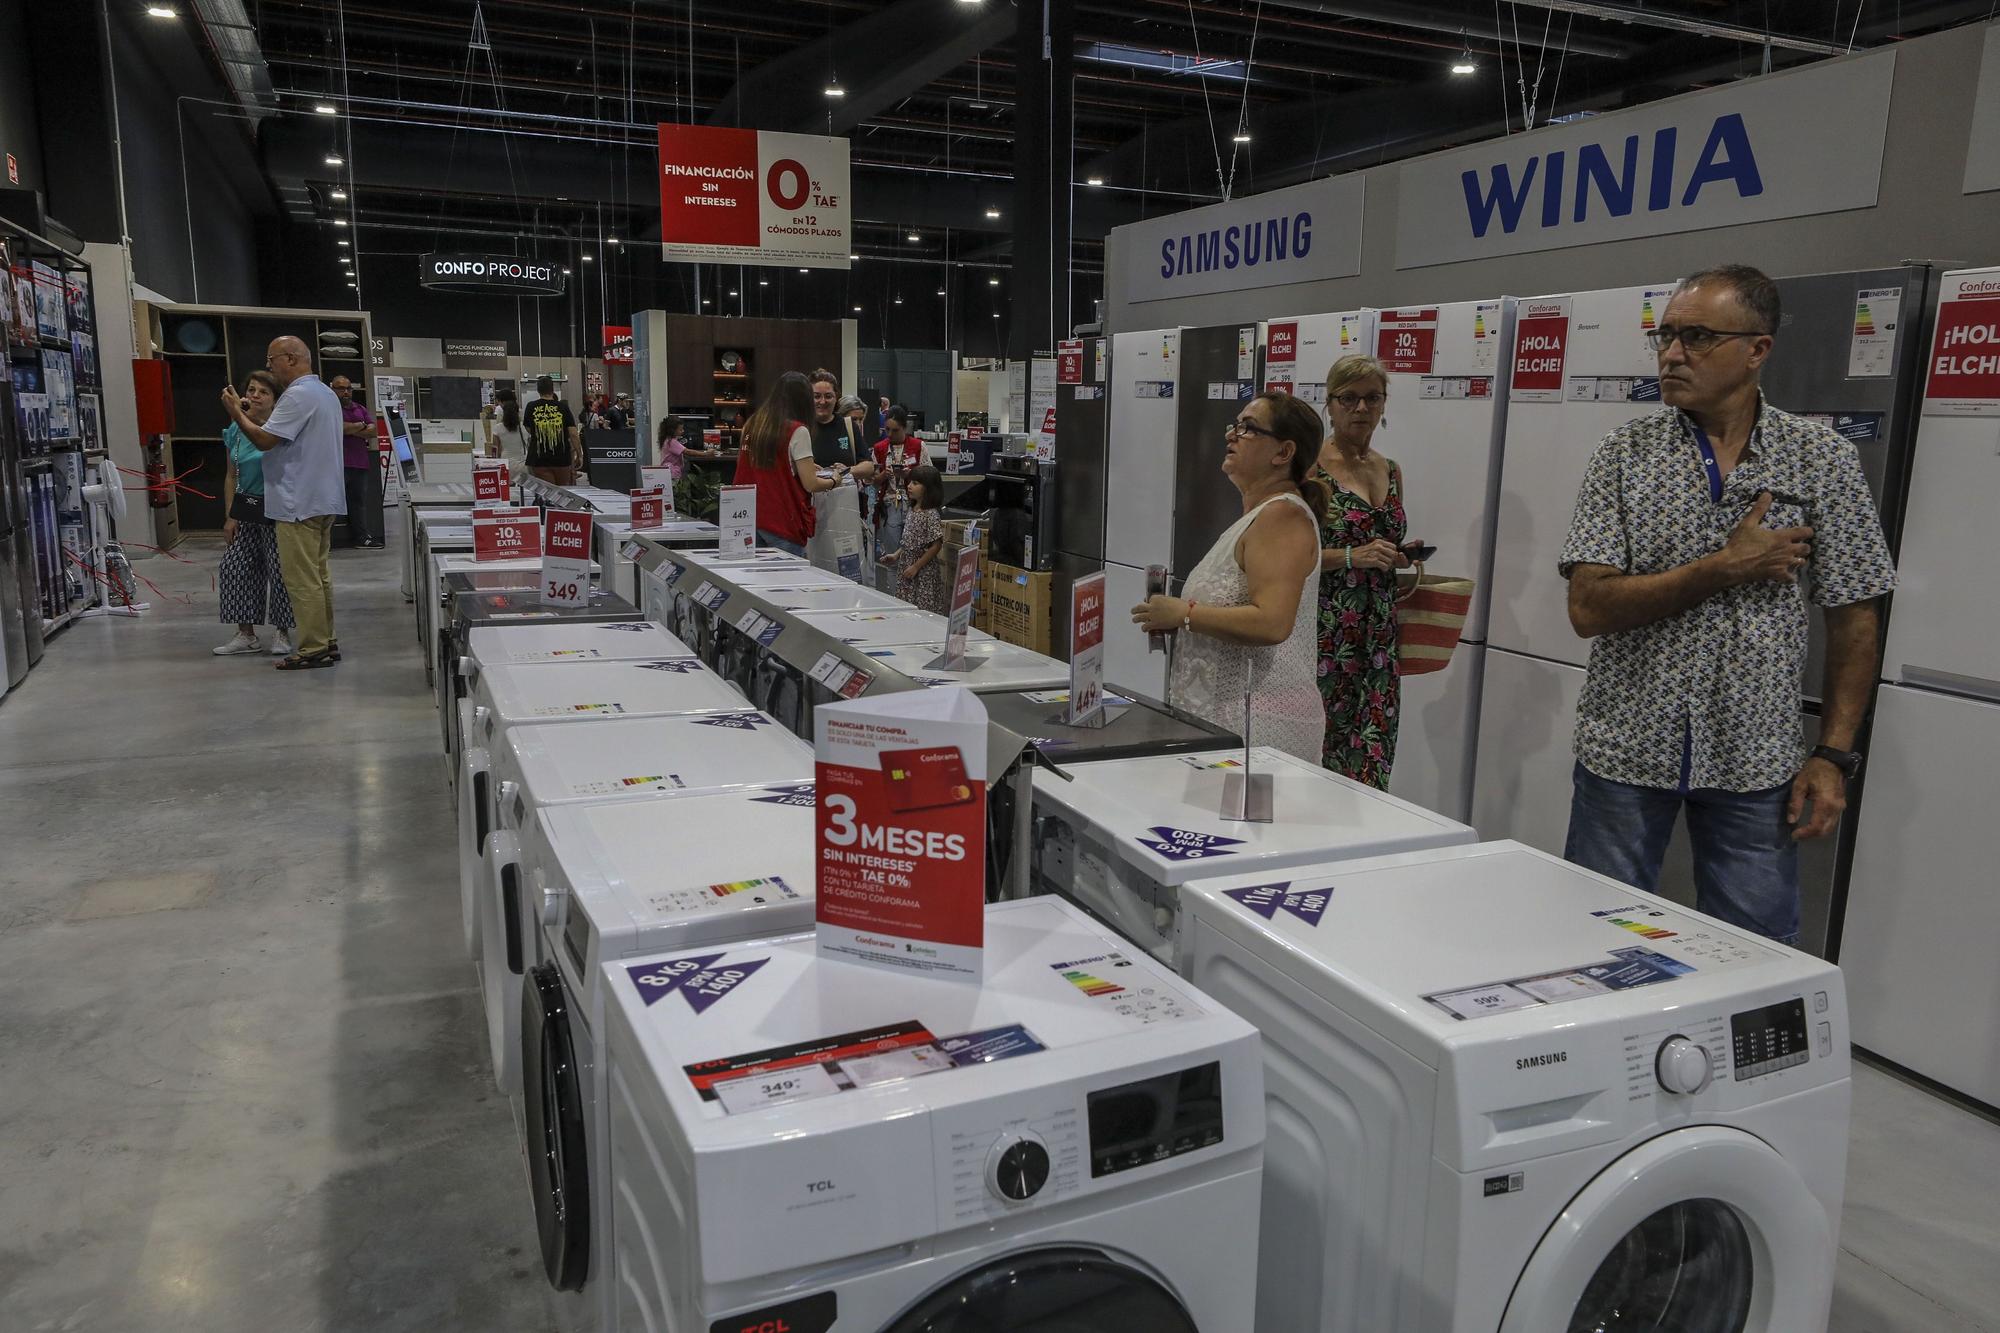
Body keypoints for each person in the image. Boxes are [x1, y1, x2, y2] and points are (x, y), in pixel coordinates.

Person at [1560, 264, 1897, 945]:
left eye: (1698, 336)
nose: (1673, 353)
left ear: (1758, 349)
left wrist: (1833, 754)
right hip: (1626, 748)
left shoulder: (1820, 459)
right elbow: (1588, 608)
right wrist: (1725, 567)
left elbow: (1855, 612)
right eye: (1667, 336)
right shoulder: (1624, 454)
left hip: (1756, 759)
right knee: (1593, 939)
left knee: (1754, 949)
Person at [1131, 393, 1328, 762]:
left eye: (1248, 428)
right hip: (1229, 720)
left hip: (1258, 727)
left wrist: (1185, 614)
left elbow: (1272, 623)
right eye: (1235, 425)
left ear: (1283, 453)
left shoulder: (1281, 517)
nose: (1231, 435)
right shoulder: (1260, 516)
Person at [1314, 354, 1414, 789]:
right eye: (1349, 398)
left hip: (1378, 637)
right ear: (1330, 404)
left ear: (1384, 404)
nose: (1361, 409)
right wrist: (1354, 557)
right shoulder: (1309, 470)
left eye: (1372, 398)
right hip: (1326, 631)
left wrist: (1397, 555)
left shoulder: (1391, 470)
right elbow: (1286, 556)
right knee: (1318, 745)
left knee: (1372, 750)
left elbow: (1382, 540)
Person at [221, 336, 345, 670]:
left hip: (298, 502)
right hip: (321, 499)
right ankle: (326, 639)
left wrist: (235, 412)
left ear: (290, 358)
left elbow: (264, 441)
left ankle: (313, 647)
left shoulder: (298, 395)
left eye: (272, 358)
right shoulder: (324, 394)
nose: (269, 365)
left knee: (301, 579)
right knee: (318, 576)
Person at [213, 369, 295, 657]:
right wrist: (230, 515)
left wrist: (242, 415)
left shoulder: (279, 427)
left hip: (277, 508)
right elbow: (231, 474)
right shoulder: (236, 429)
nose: (254, 396)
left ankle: (282, 632)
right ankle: (245, 634)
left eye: (263, 392)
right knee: (235, 567)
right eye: (251, 390)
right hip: (247, 508)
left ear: (275, 400)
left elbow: (265, 440)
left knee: (280, 571)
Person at [734, 371, 841, 556]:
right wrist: (834, 481)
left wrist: (803, 468)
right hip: (782, 520)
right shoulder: (797, 430)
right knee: (787, 581)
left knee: (755, 581)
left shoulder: (751, 425)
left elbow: (758, 467)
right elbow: (811, 484)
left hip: (748, 518)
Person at [882, 464, 947, 613]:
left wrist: (916, 566)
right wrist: (896, 555)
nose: (909, 486)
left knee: (923, 608)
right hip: (907, 565)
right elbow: (909, 541)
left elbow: (936, 545)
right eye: (910, 482)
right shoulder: (913, 509)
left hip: (922, 571)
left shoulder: (930, 514)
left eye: (915, 483)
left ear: (929, 488)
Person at [871, 406, 924, 582]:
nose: (890, 434)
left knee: (915, 555)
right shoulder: (879, 449)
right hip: (889, 504)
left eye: (895, 430)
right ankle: (895, 595)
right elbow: (871, 482)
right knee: (892, 558)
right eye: (887, 430)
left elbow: (930, 476)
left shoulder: (918, 446)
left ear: (904, 428)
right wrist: (882, 475)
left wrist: (911, 474)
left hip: (914, 505)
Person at [332, 376, 382, 548]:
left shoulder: (359, 408)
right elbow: (338, 428)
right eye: (340, 388)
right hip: (337, 465)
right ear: (332, 390)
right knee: (332, 504)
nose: (345, 392)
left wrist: (351, 429)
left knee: (358, 503)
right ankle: (327, 541)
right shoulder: (330, 410)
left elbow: (373, 431)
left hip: (360, 463)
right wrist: (361, 425)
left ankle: (362, 537)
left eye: (348, 388)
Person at [524, 376, 581, 485]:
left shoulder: (531, 406)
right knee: (562, 493)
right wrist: (579, 454)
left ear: (538, 390)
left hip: (539, 458)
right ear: (552, 390)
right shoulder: (563, 407)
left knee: (547, 494)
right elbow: (573, 433)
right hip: (561, 458)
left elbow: (529, 428)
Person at [482, 388, 528, 478]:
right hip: (523, 462)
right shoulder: (524, 425)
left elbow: (496, 448)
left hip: (505, 462)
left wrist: (494, 462)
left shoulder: (498, 426)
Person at [656, 415, 689, 482]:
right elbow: (687, 451)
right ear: (672, 430)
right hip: (673, 473)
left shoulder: (666, 439)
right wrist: (706, 454)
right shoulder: (672, 442)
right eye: (680, 429)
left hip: (667, 471)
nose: (683, 431)